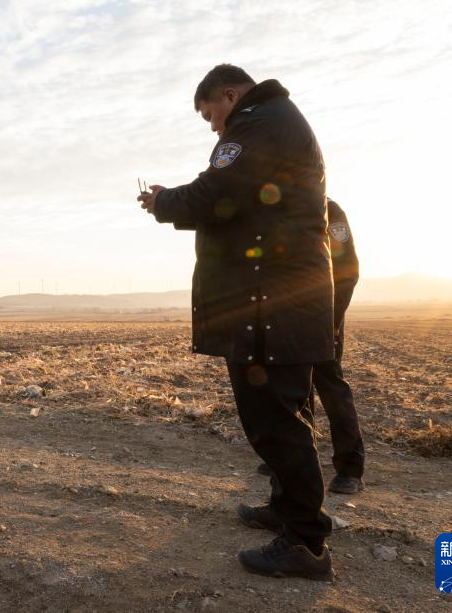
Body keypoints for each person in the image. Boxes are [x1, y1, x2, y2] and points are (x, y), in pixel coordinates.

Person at [138, 64, 335, 580]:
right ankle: (288, 510)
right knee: (284, 413)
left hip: (271, 301)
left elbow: (216, 194)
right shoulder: (272, 120)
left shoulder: (257, 124)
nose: (211, 126)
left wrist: (162, 202)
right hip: (278, 296)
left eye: (210, 114)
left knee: (275, 420)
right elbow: (235, 198)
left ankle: (306, 544)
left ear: (229, 94)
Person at [255, 198, 365, 494]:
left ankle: (350, 468)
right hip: (286, 319)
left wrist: (332, 320)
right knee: (294, 389)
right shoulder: (276, 207)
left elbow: (347, 269)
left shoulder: (329, 210)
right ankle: (298, 457)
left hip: (323, 318)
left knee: (331, 387)